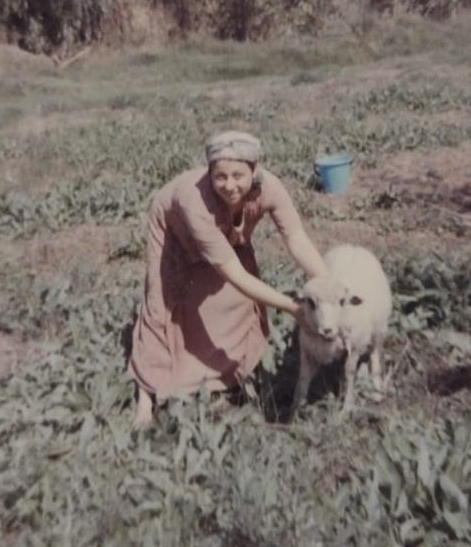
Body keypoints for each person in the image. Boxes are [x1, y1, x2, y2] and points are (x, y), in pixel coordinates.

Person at [129, 130, 328, 428]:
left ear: (255, 170)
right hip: (174, 232)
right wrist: (294, 307)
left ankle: (222, 378)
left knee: (234, 303)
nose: (230, 185)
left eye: (238, 175)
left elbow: (296, 238)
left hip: (227, 240)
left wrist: (329, 286)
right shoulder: (193, 201)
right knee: (162, 305)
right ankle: (146, 396)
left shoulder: (270, 188)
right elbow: (234, 273)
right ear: (209, 173)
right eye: (220, 176)